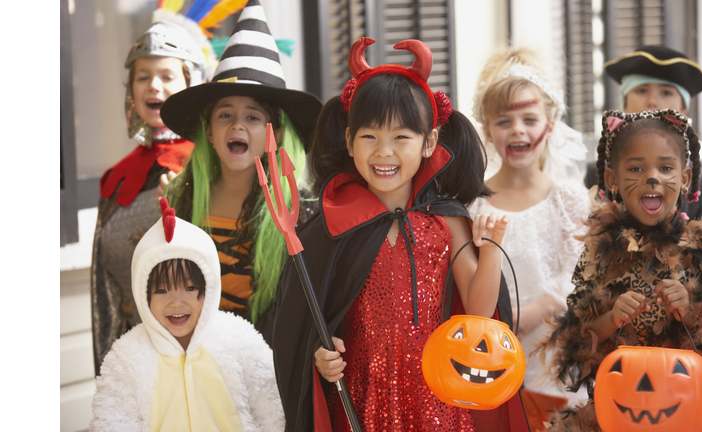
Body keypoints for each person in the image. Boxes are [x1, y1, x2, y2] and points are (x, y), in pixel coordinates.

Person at [272, 37, 531, 432]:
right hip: (361, 399)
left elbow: (479, 314)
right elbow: (311, 324)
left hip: (436, 397)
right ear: (349, 141)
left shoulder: (446, 222)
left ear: (429, 143)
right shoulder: (334, 225)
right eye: (370, 137)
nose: (384, 152)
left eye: (401, 137)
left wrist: (492, 248)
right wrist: (320, 356)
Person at [535, 109, 702, 432]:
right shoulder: (599, 250)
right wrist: (611, 318)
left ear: (684, 178)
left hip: (685, 408)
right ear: (613, 180)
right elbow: (574, 341)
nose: (652, 177)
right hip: (617, 409)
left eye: (665, 167)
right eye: (637, 168)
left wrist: (690, 311)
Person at [160, 0, 322, 339]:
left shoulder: (302, 213)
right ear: (208, 131)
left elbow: (305, 312)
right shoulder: (181, 201)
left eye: (252, 116)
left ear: (274, 133)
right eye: (224, 115)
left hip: (265, 369)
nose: (237, 125)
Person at [467, 46, 591, 416]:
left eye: (529, 119)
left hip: (554, 355)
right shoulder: (474, 204)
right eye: (504, 121)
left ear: (549, 127)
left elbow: (580, 276)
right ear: (488, 131)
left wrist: (532, 312)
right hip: (491, 354)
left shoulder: (568, 201)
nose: (517, 129)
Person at [90, 198, 284, 431]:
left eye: (190, 288)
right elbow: (112, 422)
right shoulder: (126, 359)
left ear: (209, 290)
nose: (176, 302)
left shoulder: (239, 340)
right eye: (162, 290)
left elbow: (272, 409)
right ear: (143, 295)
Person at [91, 20, 207, 376]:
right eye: (143, 77)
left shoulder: (210, 167)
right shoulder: (116, 177)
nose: (154, 86)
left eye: (167, 76)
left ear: (192, 84)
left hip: (194, 363)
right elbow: (104, 289)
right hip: (132, 363)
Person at [585, 45, 702, 221]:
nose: (652, 102)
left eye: (666, 92)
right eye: (641, 90)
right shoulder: (595, 173)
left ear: (683, 107)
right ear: (624, 103)